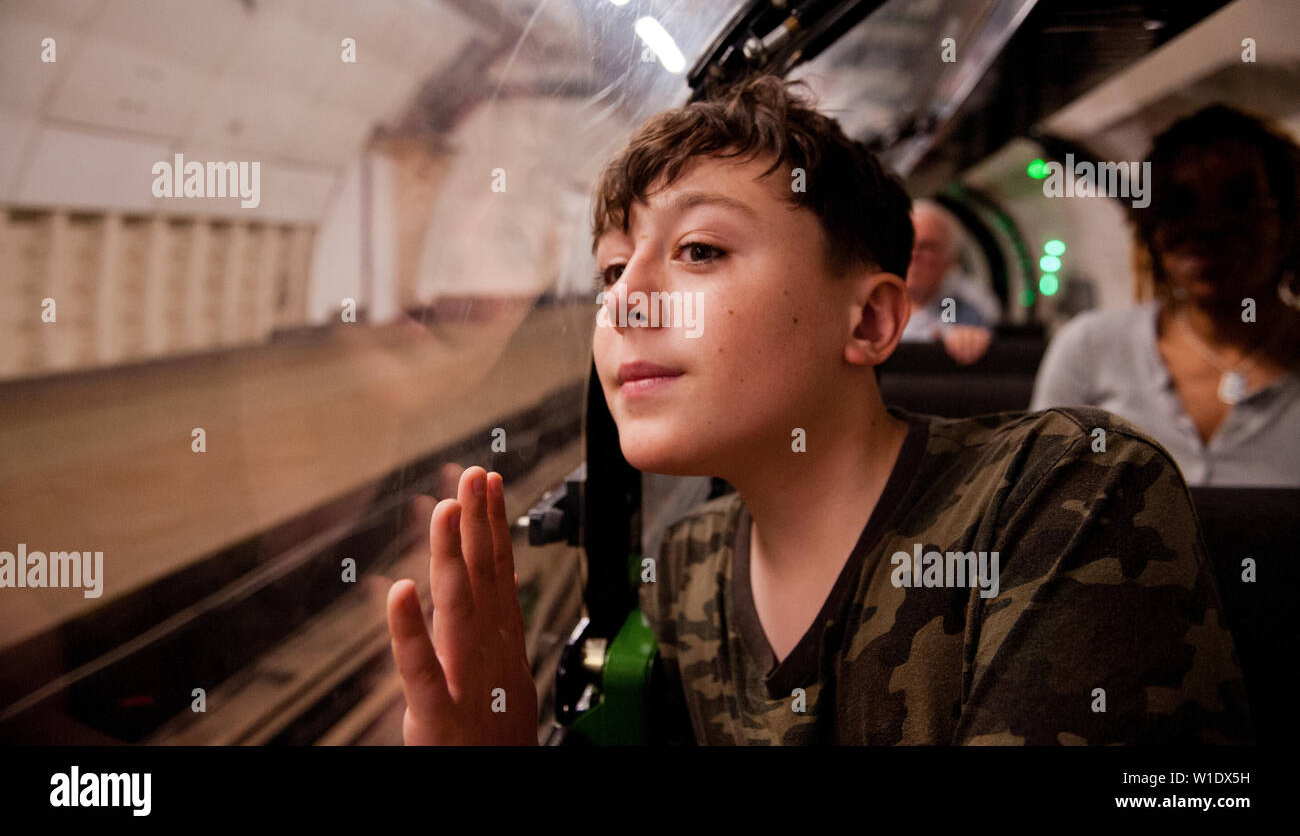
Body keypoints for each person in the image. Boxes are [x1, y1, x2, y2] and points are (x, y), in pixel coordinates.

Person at [386, 77, 1251, 745]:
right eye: (612, 270)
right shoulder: (688, 566)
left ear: (870, 319)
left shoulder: (1068, 497)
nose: (625, 304)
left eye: (699, 249)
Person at [1032, 105, 1300, 487]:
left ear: (1288, 222)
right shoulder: (1089, 347)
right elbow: (1040, 502)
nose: (1208, 228)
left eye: (1238, 204)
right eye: (1179, 206)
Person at [901, 199, 993, 364]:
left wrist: (968, 339)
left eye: (926, 247)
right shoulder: (867, 302)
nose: (913, 254)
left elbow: (974, 332)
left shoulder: (965, 304)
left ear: (949, 260)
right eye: (906, 243)